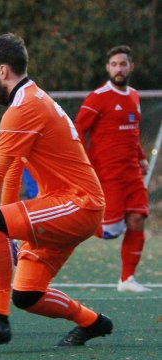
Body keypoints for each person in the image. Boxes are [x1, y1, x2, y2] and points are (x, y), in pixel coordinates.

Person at [0, 33, 113, 346]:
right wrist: (8, 229)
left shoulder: (24, 106)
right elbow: (14, 168)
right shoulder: (31, 99)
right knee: (28, 295)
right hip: (68, 205)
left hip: (79, 204)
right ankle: (93, 322)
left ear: (3, 71)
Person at [74, 45, 151, 293]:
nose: (119, 69)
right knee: (110, 232)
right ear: (108, 68)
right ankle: (72, 218)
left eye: (123, 64)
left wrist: (141, 158)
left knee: (138, 219)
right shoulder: (98, 97)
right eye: (114, 64)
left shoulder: (135, 96)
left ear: (131, 67)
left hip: (132, 173)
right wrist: (83, 164)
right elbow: (77, 130)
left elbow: (134, 132)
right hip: (107, 174)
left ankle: (127, 279)